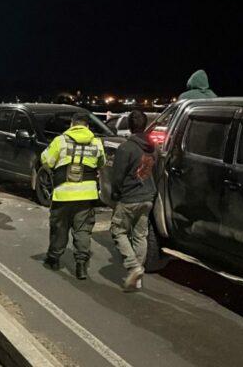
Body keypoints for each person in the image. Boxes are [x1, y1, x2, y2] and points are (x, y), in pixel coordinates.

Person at [40, 112, 106, 280]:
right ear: (88, 126)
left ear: (71, 124)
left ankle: (53, 259)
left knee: (59, 228)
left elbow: (46, 160)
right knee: (83, 229)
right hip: (86, 195)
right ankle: (81, 266)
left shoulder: (60, 141)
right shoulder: (97, 143)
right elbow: (102, 163)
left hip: (63, 194)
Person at [109, 110, 157, 291]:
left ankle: (133, 266)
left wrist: (115, 194)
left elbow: (118, 176)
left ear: (129, 126)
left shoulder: (126, 148)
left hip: (130, 198)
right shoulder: (153, 147)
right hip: (148, 197)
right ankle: (137, 278)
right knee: (140, 235)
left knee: (118, 231)